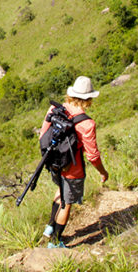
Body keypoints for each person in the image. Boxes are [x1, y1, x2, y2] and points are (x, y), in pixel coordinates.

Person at [39, 75, 109, 248]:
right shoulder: (87, 124)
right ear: (89, 98)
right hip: (72, 168)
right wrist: (103, 172)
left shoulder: (55, 109)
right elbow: (92, 156)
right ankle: (55, 242)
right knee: (66, 203)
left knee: (60, 191)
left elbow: (42, 134)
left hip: (53, 163)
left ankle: (49, 227)